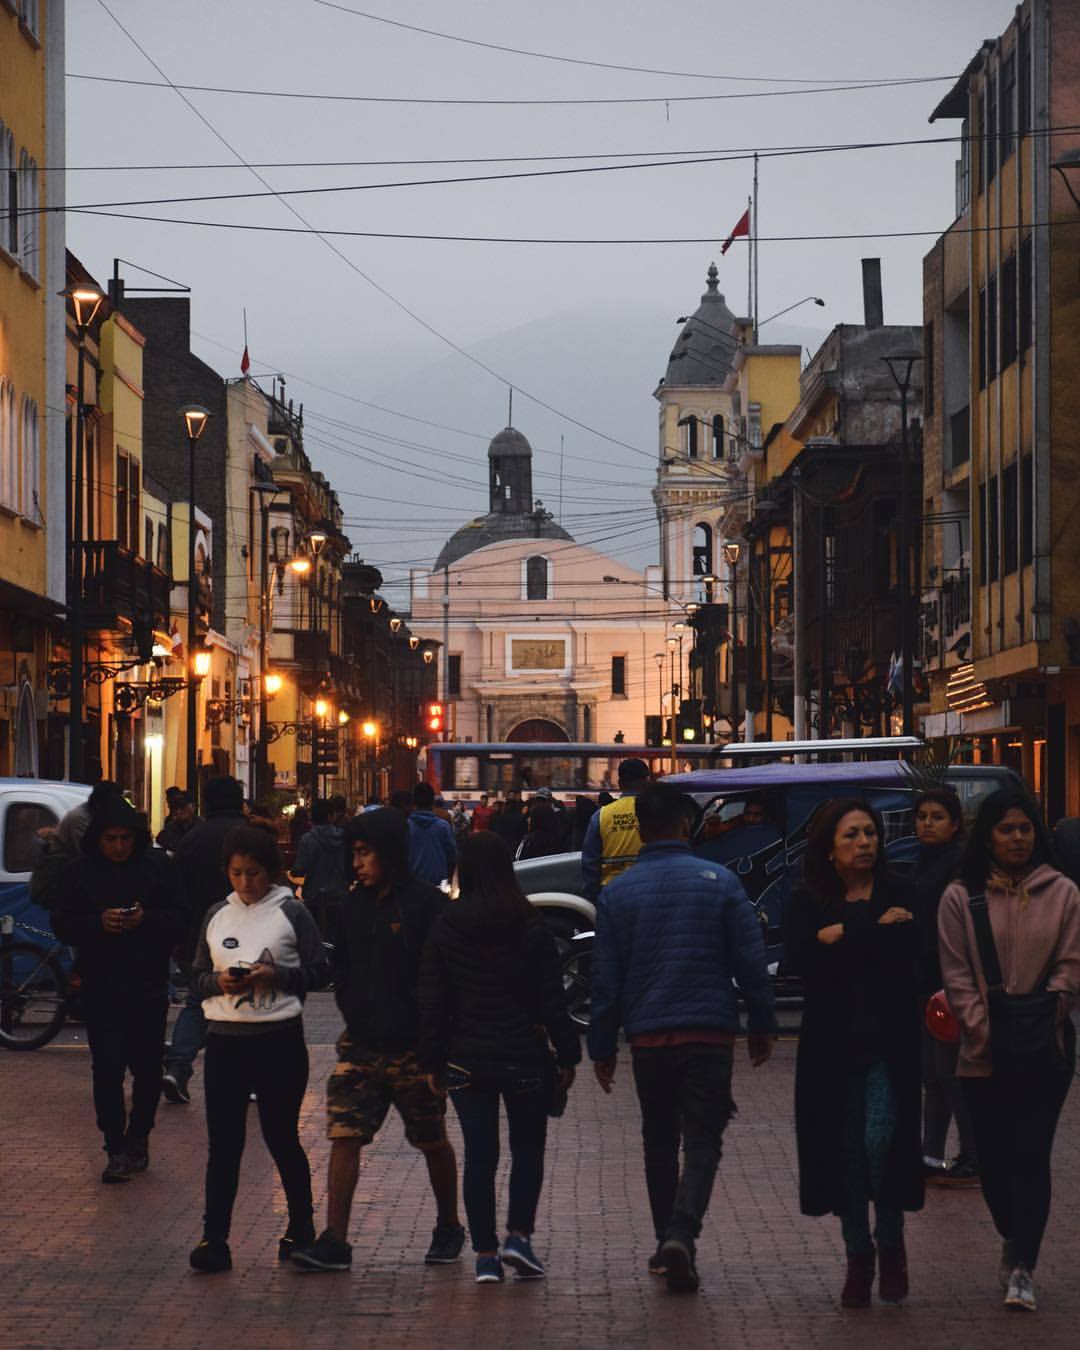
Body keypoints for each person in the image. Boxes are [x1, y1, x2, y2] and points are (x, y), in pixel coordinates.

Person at [588, 784, 776, 1293]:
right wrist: (762, 1022)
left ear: (640, 829)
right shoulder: (719, 882)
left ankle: (664, 1241)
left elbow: (605, 980)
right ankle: (682, 1235)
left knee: (657, 1138)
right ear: (685, 826)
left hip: (649, 1037)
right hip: (709, 1031)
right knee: (702, 1139)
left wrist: (602, 1046)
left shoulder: (617, 894)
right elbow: (751, 963)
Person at [292, 808, 464, 1273]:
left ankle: (449, 1224)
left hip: (415, 1047)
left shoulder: (427, 905)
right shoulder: (353, 905)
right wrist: (353, 1005)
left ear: (389, 853)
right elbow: (342, 966)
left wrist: (435, 1042)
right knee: (344, 1135)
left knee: (431, 1139)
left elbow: (444, 975)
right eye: (355, 854)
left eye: (365, 854)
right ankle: (336, 1240)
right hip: (362, 1042)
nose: (358, 863)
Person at [938, 789, 1080, 1313]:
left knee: (1030, 1155)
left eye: (1025, 829)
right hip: (983, 1050)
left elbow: (1073, 961)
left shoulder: (1063, 892)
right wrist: (980, 1030)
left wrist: (1055, 1006)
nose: (1017, 838)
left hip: (1048, 1045)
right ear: (987, 836)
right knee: (994, 1163)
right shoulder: (960, 897)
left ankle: (1024, 1266)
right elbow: (954, 973)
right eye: (1006, 829)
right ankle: (1012, 1235)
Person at [418, 831, 580, 1284]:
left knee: (480, 1154)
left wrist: (431, 1060)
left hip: (466, 1055)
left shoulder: (447, 924)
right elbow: (552, 999)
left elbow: (432, 999)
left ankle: (485, 1254)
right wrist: (569, 1054)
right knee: (528, 1148)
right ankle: (518, 1237)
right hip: (524, 1054)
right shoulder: (529, 923)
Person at [784, 798, 924, 1309]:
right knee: (843, 1155)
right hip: (832, 1050)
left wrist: (843, 936)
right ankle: (859, 1255)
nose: (865, 842)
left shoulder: (901, 891)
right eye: (852, 835)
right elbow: (800, 960)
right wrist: (872, 931)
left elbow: (910, 947)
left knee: (879, 1143)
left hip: (890, 1045)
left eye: (869, 833)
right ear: (828, 849)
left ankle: (891, 1242)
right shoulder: (808, 901)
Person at [188, 824, 331, 1272]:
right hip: (225, 1042)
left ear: (271, 871)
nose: (245, 883)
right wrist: (219, 981)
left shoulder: (290, 911)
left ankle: (301, 1229)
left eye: (253, 873)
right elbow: (194, 977)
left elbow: (321, 971)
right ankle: (215, 1239)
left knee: (282, 1137)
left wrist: (280, 978)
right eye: (236, 874)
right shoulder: (217, 914)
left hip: (278, 1040)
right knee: (224, 1144)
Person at [50, 794, 186, 1183]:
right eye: (111, 839)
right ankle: (114, 1145)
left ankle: (139, 1134)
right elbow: (63, 921)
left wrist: (145, 920)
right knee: (107, 1066)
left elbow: (180, 918)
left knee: (146, 1068)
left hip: (147, 981)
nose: (119, 847)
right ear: (98, 839)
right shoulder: (81, 871)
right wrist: (98, 923)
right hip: (101, 982)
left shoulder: (157, 867)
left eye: (125, 838)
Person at [163, 776, 248, 1104]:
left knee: (198, 1002)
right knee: (249, 1003)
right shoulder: (251, 837)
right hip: (248, 933)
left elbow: (177, 892)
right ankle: (247, 1076)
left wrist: (181, 936)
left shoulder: (192, 840)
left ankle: (178, 1066)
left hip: (201, 934)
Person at [911, 789, 978, 1187]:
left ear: (955, 824)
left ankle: (973, 1153)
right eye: (921, 816)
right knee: (934, 1075)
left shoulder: (958, 866)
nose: (926, 823)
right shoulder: (925, 861)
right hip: (924, 979)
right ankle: (931, 1154)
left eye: (936, 816)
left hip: (949, 981)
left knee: (950, 1073)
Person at [581, 758, 651, 902]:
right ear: (647, 781)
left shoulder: (601, 815)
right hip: (649, 888)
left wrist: (593, 897)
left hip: (612, 892)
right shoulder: (656, 811)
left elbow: (590, 863)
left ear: (620, 784)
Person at [291, 797, 347, 942]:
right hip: (339, 894)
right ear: (331, 816)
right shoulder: (344, 837)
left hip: (314, 896)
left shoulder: (308, 840)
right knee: (337, 938)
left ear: (312, 817)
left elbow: (300, 869)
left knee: (314, 938)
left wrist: (292, 872)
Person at [407, 781, 457, 887]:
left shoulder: (405, 826)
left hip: (413, 884)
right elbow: (452, 855)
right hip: (439, 883)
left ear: (413, 802)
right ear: (432, 801)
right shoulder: (443, 826)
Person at [156, 787, 199, 853]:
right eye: (175, 807)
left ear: (193, 807)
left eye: (182, 807)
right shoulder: (170, 828)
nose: (178, 811)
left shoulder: (201, 827)